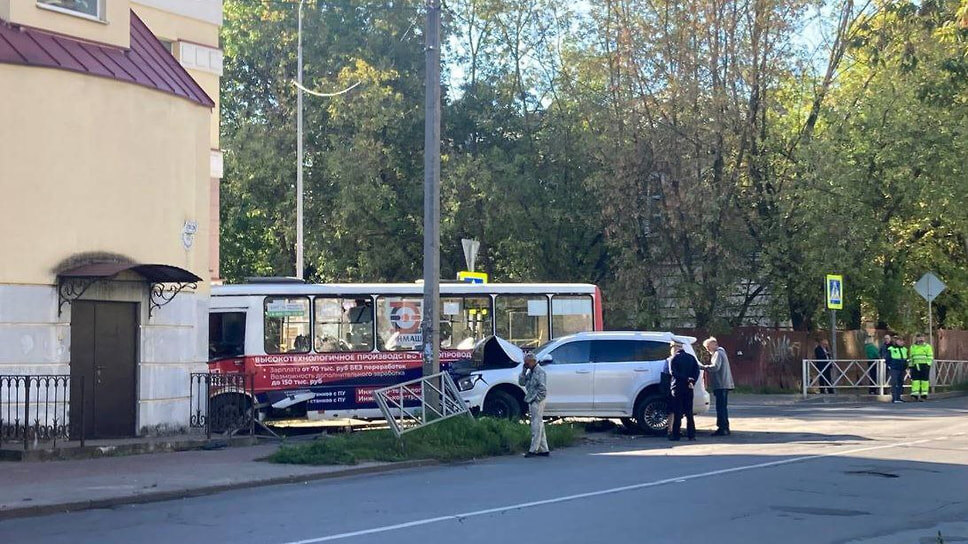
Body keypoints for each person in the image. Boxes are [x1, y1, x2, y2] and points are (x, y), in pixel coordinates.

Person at [700, 337, 734, 436]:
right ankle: (725, 428)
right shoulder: (721, 352)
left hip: (721, 384)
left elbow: (715, 367)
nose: (707, 349)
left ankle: (722, 428)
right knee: (723, 407)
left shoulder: (718, 353)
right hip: (724, 384)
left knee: (720, 408)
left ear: (714, 344)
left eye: (707, 346)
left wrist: (702, 367)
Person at [668, 341, 700, 441]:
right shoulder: (691, 358)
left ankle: (676, 435)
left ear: (675, 348)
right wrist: (691, 381)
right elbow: (697, 371)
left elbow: (673, 373)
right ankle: (691, 435)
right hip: (689, 388)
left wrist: (685, 379)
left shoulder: (674, 358)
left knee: (678, 412)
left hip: (678, 387)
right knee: (689, 413)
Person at [518, 353, 549, 457]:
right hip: (532, 399)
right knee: (539, 423)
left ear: (533, 361)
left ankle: (533, 449)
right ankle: (544, 449)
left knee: (536, 425)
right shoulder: (530, 372)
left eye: (527, 362)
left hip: (537, 400)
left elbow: (543, 389)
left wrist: (537, 400)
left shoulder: (540, 372)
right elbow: (521, 382)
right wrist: (523, 370)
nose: (526, 364)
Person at [908, 334, 934, 401]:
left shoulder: (927, 347)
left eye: (922, 337)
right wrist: (911, 366)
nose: (921, 339)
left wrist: (928, 365)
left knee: (924, 381)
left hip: (924, 365)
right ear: (916, 338)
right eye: (919, 338)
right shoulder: (913, 347)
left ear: (924, 338)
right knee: (915, 380)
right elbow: (911, 357)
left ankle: (924, 395)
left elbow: (930, 356)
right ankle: (914, 395)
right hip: (915, 365)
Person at [886, 337, 909, 403]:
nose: (902, 342)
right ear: (896, 341)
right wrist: (890, 366)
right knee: (894, 383)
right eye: (900, 341)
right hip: (894, 368)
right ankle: (894, 398)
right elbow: (887, 358)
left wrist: (906, 366)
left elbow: (906, 358)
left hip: (902, 368)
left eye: (902, 341)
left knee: (900, 383)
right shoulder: (891, 349)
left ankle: (899, 398)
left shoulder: (904, 349)